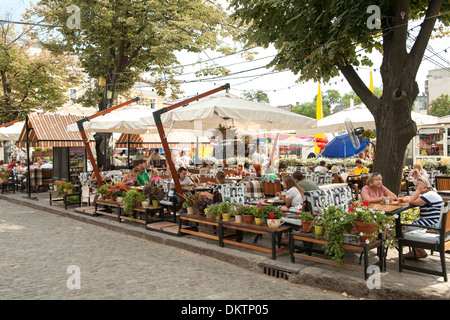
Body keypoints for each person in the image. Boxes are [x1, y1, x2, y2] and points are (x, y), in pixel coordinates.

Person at [402, 177, 445, 260]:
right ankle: (419, 252)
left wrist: (417, 191)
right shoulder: (431, 194)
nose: (414, 188)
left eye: (417, 187)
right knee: (410, 225)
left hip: (433, 223)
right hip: (436, 221)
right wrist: (416, 193)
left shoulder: (428, 195)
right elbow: (413, 199)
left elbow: (411, 201)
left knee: (408, 227)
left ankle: (418, 252)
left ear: (424, 187)